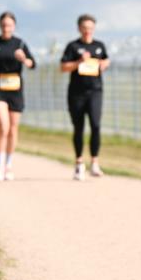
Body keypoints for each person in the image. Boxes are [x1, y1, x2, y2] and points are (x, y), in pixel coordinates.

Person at [0, 11, 36, 181]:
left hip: (15, 88)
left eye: (9, 25)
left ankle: (9, 165)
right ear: (0, 26)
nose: (6, 28)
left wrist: (24, 59)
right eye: (4, 25)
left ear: (14, 26)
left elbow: (32, 64)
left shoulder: (20, 43)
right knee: (3, 126)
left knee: (13, 128)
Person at [60, 14, 110, 180]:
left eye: (90, 28)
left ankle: (94, 162)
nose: (88, 31)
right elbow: (63, 67)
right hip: (76, 93)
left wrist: (104, 64)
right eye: (85, 28)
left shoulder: (99, 46)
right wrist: (79, 61)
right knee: (78, 127)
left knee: (95, 125)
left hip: (95, 91)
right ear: (79, 28)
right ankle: (79, 163)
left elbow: (106, 60)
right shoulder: (73, 46)